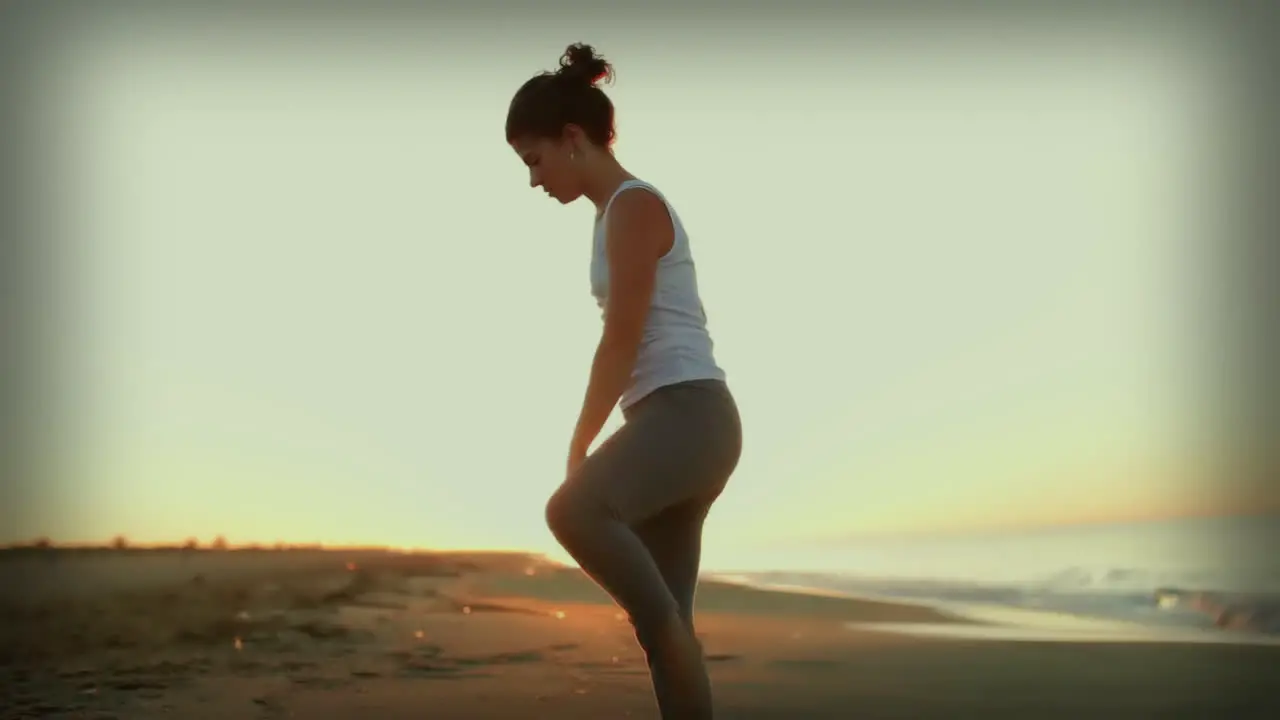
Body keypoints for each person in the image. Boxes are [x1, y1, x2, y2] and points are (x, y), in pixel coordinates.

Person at [505, 43, 743, 718]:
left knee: (571, 509)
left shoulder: (635, 206)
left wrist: (581, 441)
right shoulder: (611, 216)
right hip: (672, 422)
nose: (533, 180)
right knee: (665, 625)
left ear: (572, 138)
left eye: (534, 159)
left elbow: (623, 336)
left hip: (689, 417)